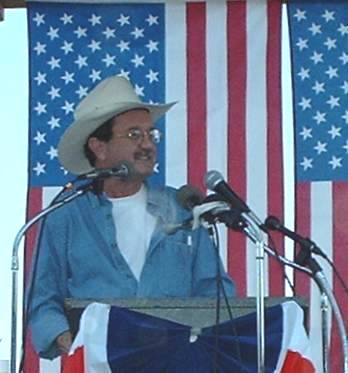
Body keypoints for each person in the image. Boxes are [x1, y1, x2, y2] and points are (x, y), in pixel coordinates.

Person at [28, 75, 236, 359]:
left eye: (151, 134)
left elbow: (215, 292)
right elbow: (42, 300)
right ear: (98, 147)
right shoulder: (66, 216)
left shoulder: (182, 206)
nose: (148, 144)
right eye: (134, 134)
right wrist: (77, 348)